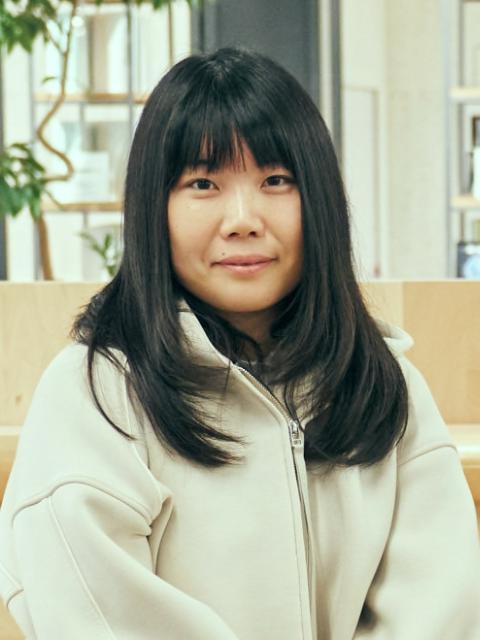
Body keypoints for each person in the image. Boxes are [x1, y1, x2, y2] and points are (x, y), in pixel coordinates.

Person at [0, 47, 479, 640]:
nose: (244, 219)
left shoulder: (383, 384)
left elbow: (441, 607)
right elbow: (94, 616)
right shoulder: (96, 393)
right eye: (203, 183)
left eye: (276, 180)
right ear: (153, 207)